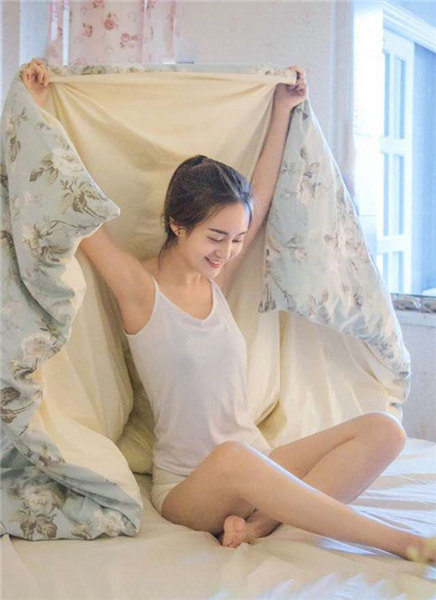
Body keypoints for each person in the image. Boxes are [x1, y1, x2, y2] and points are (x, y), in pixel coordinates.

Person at [21, 58, 435, 562]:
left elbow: (259, 195)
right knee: (235, 458)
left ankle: (257, 526)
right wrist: (38, 111)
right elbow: (74, 206)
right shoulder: (139, 289)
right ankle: (404, 543)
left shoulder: (218, 280)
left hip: (256, 463)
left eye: (237, 239)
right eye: (216, 237)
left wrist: (282, 109)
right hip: (192, 487)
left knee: (384, 428)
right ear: (178, 224)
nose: (228, 251)